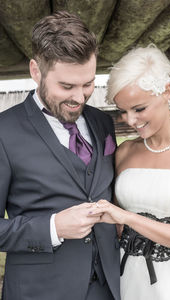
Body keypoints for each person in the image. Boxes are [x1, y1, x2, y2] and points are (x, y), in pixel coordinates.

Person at [0, 11, 120, 300]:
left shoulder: (103, 123)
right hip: (39, 290)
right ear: (35, 71)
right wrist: (52, 227)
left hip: (110, 287)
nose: (79, 97)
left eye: (88, 84)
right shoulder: (3, 132)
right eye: (66, 86)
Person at [89, 44, 170, 300]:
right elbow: (112, 225)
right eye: (122, 111)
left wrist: (127, 218)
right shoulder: (124, 151)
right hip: (128, 280)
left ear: (167, 91)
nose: (129, 120)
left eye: (139, 109)